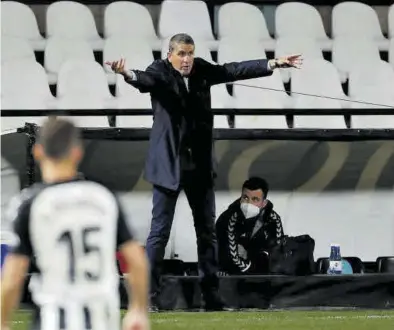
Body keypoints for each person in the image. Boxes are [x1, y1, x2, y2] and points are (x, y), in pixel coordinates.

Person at [106, 33, 301, 311]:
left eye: (190, 54)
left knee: (207, 233)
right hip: (169, 166)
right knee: (159, 233)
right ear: (170, 54)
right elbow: (144, 81)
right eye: (182, 54)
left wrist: (273, 63)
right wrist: (126, 72)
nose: (187, 60)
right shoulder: (158, 71)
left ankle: (212, 298)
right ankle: (146, 297)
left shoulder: (201, 70)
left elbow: (232, 70)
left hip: (199, 166)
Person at [1, 118, 150, 330]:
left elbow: (14, 274)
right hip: (102, 321)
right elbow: (136, 260)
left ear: (38, 152)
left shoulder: (30, 204)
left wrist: (2, 321)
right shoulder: (103, 198)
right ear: (77, 152)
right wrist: (138, 309)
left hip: (53, 320)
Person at [216, 177, 284, 275]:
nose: (248, 203)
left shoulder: (273, 220)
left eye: (255, 199)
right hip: (232, 276)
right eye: (245, 198)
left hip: (263, 278)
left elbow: (277, 258)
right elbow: (229, 259)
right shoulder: (227, 219)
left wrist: (253, 255)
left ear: (264, 203)